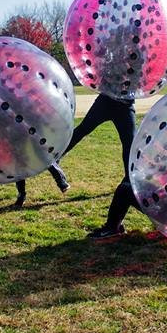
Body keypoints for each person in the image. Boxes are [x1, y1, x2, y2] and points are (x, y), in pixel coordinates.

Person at [58, 93, 138, 240]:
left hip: (125, 104)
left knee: (131, 145)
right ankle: (55, 158)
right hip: (106, 100)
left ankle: (130, 181)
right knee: (82, 130)